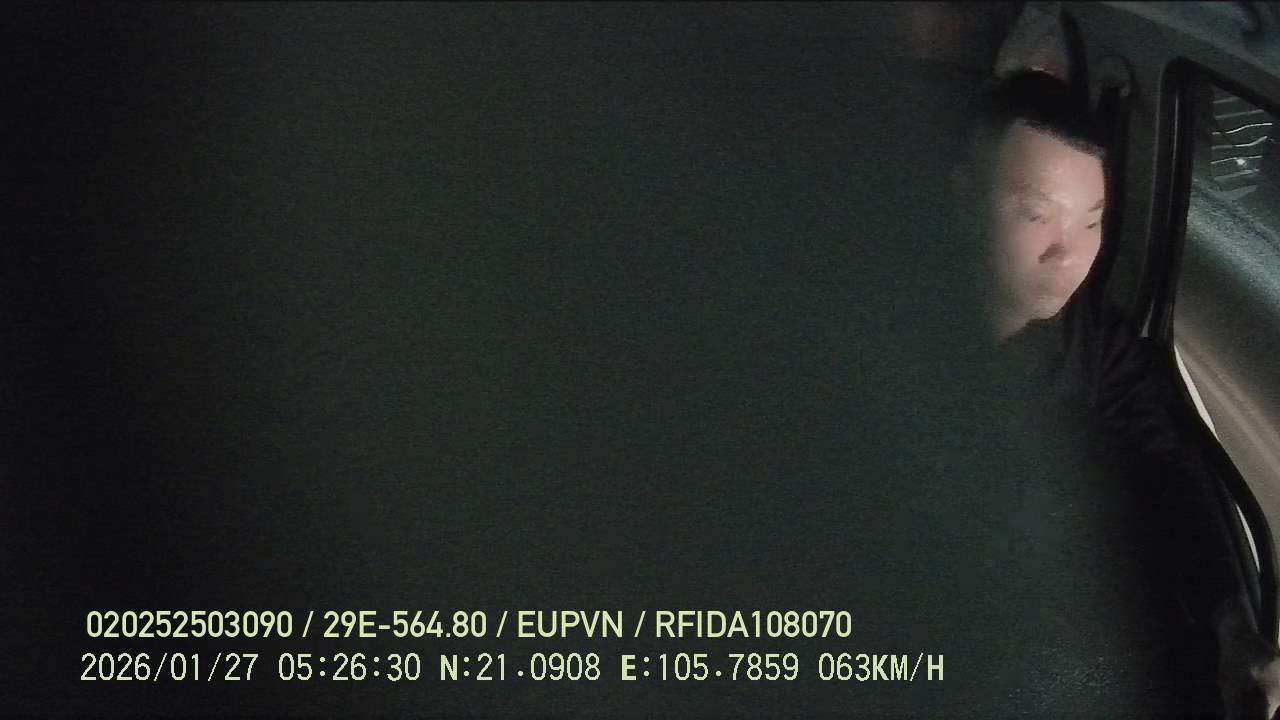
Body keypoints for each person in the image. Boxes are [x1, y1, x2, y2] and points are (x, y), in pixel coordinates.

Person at [951, 69, 1280, 719]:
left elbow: (1172, 466)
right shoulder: (871, 341)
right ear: (963, 197)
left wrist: (1232, 626)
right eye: (1035, 214)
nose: (1067, 255)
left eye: (1092, 223)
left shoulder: (1094, 346)